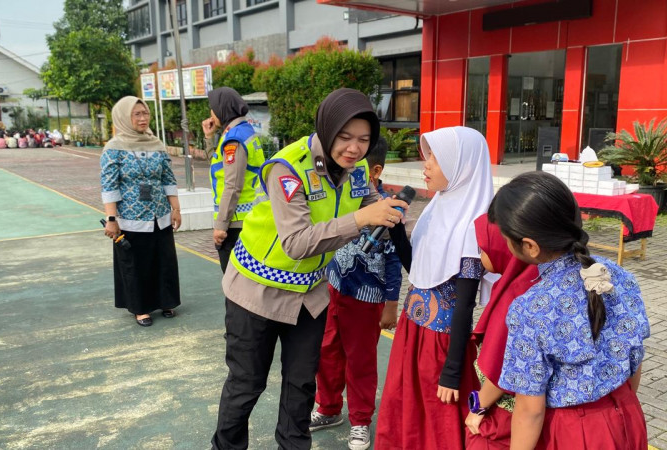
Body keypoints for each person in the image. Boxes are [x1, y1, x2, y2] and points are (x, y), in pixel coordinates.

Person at [211, 88, 408, 450]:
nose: (354, 148)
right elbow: (297, 243)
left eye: (364, 140)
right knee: (247, 383)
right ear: (327, 127)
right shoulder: (287, 168)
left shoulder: (358, 169)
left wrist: (384, 206)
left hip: (309, 295)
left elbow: (366, 202)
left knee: (301, 383)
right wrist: (362, 217)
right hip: (256, 291)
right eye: (345, 137)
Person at [489, 171, 649, 449]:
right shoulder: (619, 276)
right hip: (627, 415)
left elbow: (530, 409)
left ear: (529, 246)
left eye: (506, 238)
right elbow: (634, 361)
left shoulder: (530, 308)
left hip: (574, 432)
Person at [375, 126, 493, 450]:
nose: (425, 165)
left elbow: (465, 305)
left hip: (441, 344)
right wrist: (398, 234)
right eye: (427, 157)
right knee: (405, 409)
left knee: (438, 422)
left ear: (461, 166)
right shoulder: (436, 209)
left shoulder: (472, 226)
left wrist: (453, 370)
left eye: (435, 159)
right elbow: (421, 271)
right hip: (411, 332)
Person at [309, 136, 402, 450]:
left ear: (373, 171)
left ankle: (360, 420)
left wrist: (391, 303)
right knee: (327, 352)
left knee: (360, 361)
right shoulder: (342, 194)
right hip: (333, 289)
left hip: (367, 299)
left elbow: (393, 261)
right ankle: (328, 408)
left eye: (355, 165)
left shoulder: (389, 209)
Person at [100, 96, 182, 327]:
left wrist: (175, 209)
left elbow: (168, 177)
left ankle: (166, 301)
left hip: (160, 216)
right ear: (125, 118)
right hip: (130, 219)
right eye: (136, 114)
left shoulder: (157, 144)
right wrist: (111, 219)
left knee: (163, 260)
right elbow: (109, 185)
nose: (143, 118)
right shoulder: (113, 149)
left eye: (145, 113)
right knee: (136, 264)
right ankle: (141, 308)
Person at [463, 214, 539, 449]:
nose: (480, 255)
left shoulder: (514, 297)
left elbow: (502, 368)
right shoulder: (532, 279)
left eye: (483, 248)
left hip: (504, 416)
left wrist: (478, 406)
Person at [201, 87, 265, 272]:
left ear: (223, 108)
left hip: (236, 223)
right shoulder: (242, 131)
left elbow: (232, 185)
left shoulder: (234, 139)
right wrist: (209, 138)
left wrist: (221, 226)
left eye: (212, 108)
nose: (211, 114)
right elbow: (219, 166)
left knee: (235, 283)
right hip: (246, 217)